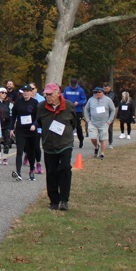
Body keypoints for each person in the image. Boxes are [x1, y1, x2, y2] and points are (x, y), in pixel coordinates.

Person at [37, 83, 77, 211]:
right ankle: (54, 200)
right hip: (49, 144)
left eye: (50, 94)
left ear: (58, 94)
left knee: (65, 169)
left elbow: (73, 123)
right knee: (51, 172)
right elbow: (39, 122)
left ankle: (64, 200)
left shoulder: (69, 106)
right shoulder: (41, 107)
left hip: (65, 143)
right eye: (46, 94)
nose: (48, 97)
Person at [11, 85, 39, 181]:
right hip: (20, 130)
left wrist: (34, 125)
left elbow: (38, 116)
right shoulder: (18, 103)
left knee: (31, 151)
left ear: (31, 92)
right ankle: (18, 173)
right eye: (24, 91)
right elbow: (13, 115)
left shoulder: (35, 103)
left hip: (31, 131)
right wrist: (11, 128)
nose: (26, 93)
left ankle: (31, 170)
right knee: (19, 151)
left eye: (28, 91)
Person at [83, 86, 116, 161]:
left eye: (99, 92)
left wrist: (109, 121)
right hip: (93, 123)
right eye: (95, 92)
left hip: (104, 123)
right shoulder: (91, 99)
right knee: (93, 138)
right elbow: (86, 109)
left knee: (103, 139)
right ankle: (96, 146)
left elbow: (113, 110)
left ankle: (102, 154)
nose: (97, 94)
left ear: (103, 92)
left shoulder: (108, 100)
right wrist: (88, 120)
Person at [62, 77, 87, 146]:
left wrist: (78, 103)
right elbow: (63, 98)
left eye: (74, 86)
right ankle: (69, 141)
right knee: (69, 126)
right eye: (72, 85)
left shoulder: (80, 90)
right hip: (68, 110)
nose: (73, 87)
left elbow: (84, 100)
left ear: (77, 84)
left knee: (78, 126)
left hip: (77, 110)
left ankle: (81, 139)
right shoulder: (67, 89)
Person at [0, 87, 12, 165]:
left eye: (5, 93)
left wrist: (12, 127)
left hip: (7, 125)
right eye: (2, 92)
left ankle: (5, 158)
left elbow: (12, 115)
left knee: (7, 142)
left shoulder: (9, 103)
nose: (4, 94)